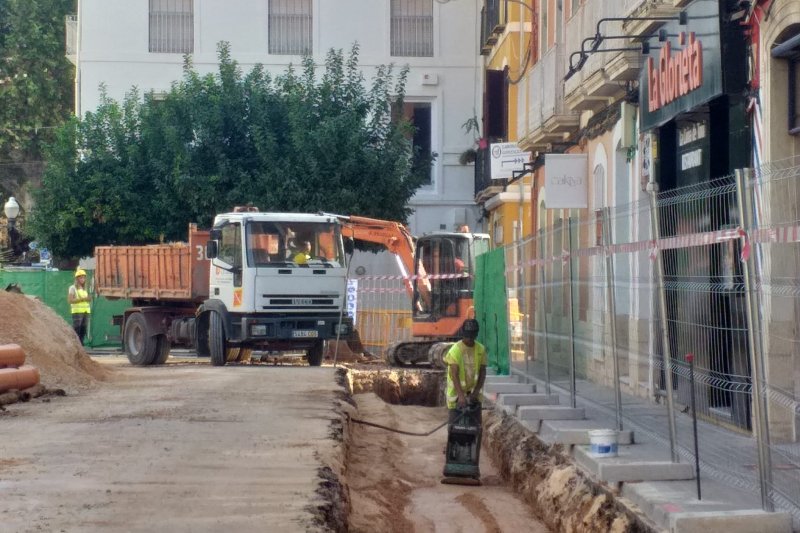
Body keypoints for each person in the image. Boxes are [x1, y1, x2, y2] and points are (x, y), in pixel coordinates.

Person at [444, 319, 487, 421]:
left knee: (476, 427)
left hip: (473, 395)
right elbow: (454, 374)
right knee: (455, 429)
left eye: (472, 336)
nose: (469, 339)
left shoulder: (481, 349)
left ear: (476, 335)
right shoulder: (455, 350)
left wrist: (475, 392)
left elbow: (482, 372)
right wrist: (461, 396)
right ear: (463, 334)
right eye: (467, 336)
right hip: (456, 396)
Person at [68, 269, 91, 345]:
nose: (82, 279)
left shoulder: (85, 289)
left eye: (84, 277)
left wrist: (88, 299)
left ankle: (81, 345)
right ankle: (75, 345)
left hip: (85, 312)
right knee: (77, 329)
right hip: (77, 312)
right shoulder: (72, 288)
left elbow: (87, 300)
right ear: (77, 279)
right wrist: (82, 299)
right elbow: (70, 300)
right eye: (81, 278)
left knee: (83, 330)